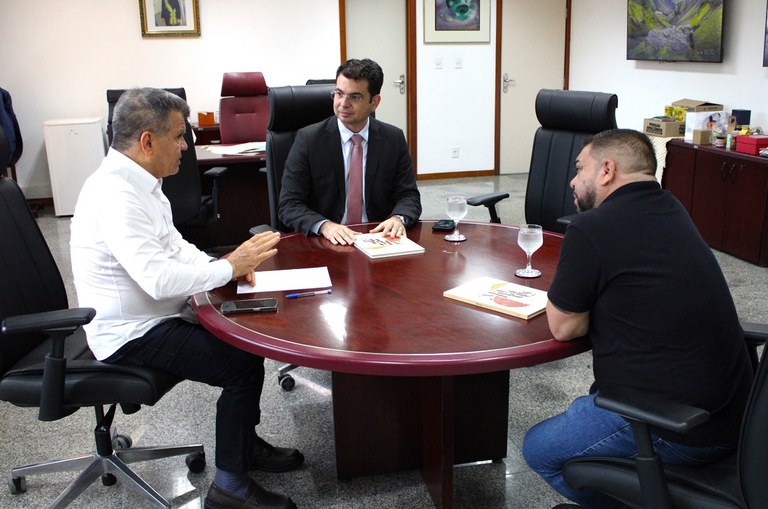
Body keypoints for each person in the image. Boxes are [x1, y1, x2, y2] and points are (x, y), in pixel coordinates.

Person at [70, 88, 302, 509]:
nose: (184, 146)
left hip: (153, 316)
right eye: (179, 137)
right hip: (129, 332)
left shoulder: (141, 181)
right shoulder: (116, 194)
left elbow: (175, 247)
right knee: (239, 363)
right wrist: (227, 269)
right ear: (147, 141)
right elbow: (159, 279)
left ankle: (243, 448)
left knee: (245, 342)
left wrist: (226, 262)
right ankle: (230, 486)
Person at [522, 129, 753, 509]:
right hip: (733, 414)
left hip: (675, 424)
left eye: (580, 169)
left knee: (540, 450)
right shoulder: (673, 208)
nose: (572, 180)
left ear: (607, 170)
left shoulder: (591, 227)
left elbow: (565, 327)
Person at [279, 58, 421, 246]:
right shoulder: (308, 140)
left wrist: (398, 218)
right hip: (327, 243)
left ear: (374, 102)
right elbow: (289, 204)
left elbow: (408, 195)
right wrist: (325, 226)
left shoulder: (392, 139)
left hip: (377, 240)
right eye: (339, 93)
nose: (343, 104)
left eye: (355, 97)